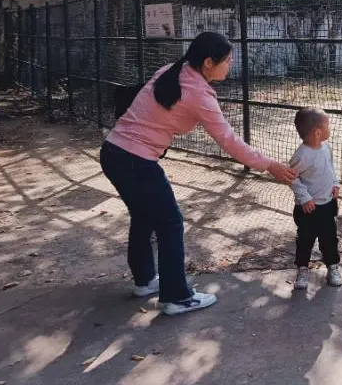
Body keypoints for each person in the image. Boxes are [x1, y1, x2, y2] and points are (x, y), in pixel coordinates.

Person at [99, 31, 297, 316]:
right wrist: (269, 165)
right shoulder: (199, 95)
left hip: (114, 153)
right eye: (227, 61)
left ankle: (145, 281)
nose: (230, 65)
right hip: (135, 161)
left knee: (145, 216)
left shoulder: (171, 70)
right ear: (208, 63)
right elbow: (230, 141)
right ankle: (176, 296)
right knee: (170, 223)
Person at [288, 107, 342, 290]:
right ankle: (303, 269)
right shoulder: (303, 154)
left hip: (327, 204)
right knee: (305, 239)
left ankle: (332, 267)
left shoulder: (326, 148)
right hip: (308, 209)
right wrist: (304, 198)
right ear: (318, 133)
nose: (330, 129)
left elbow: (331, 169)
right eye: (327, 126)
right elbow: (292, 176)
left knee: (329, 238)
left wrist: (335, 183)